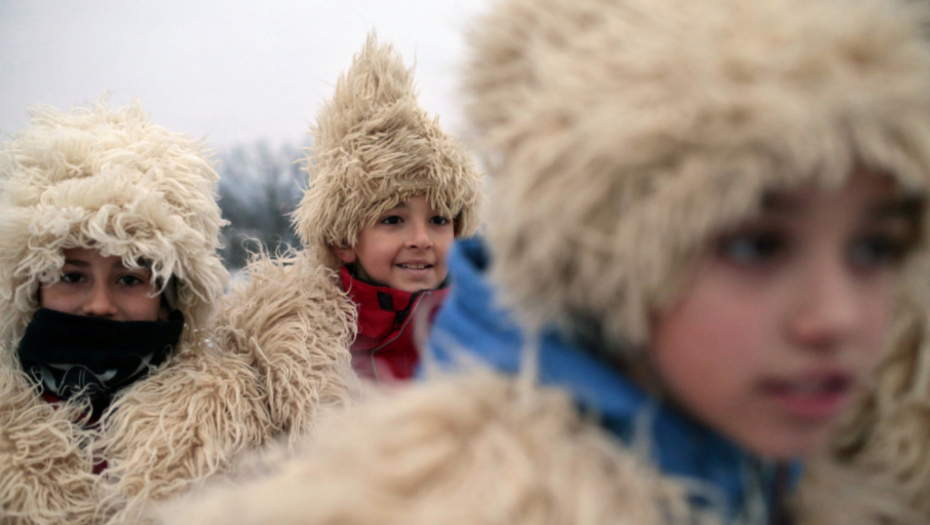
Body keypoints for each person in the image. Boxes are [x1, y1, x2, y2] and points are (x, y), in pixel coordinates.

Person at [154, 0, 930, 523]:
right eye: (759, 244)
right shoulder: (436, 468)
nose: (840, 315)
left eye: (874, 247)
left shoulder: (835, 453)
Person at [0, 99, 269, 525]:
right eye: (72, 277)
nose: (100, 305)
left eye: (129, 279)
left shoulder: (234, 418)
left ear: (170, 296)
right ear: (30, 286)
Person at [215, 30, 481, 417]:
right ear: (343, 239)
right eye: (393, 219)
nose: (422, 239)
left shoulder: (486, 334)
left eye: (439, 219)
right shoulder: (286, 350)